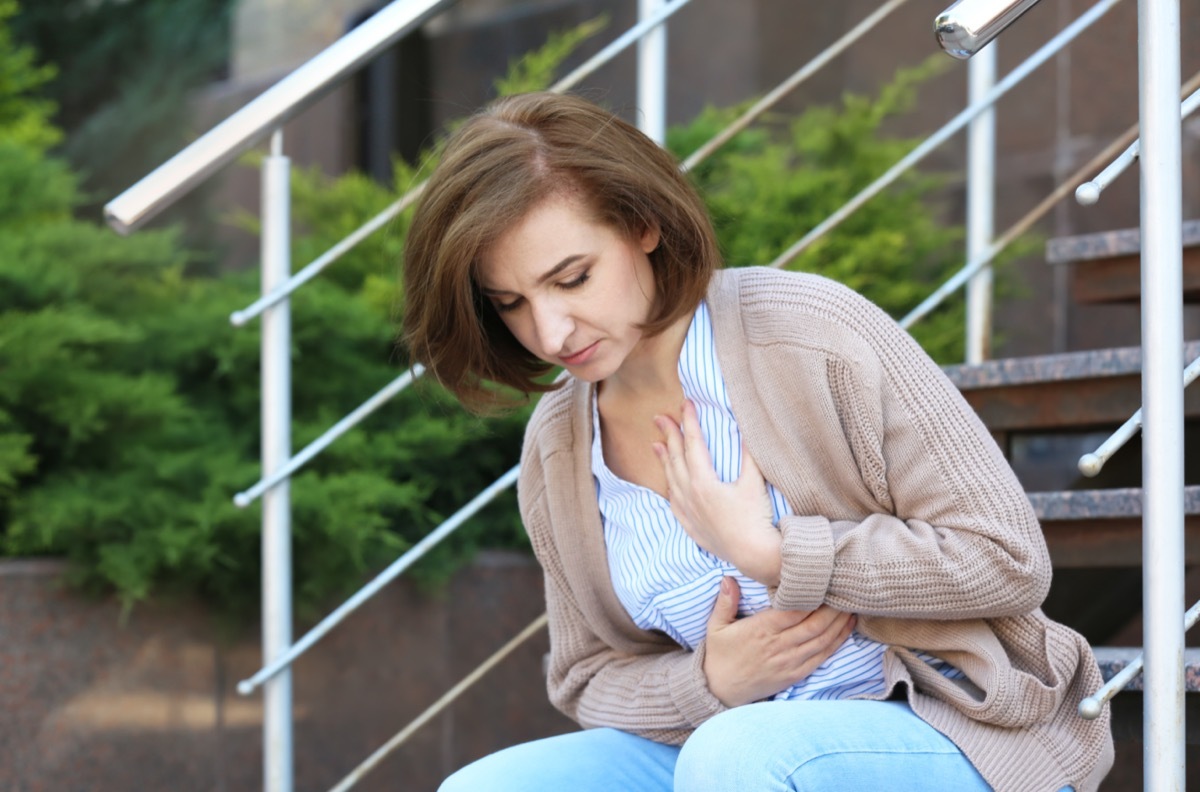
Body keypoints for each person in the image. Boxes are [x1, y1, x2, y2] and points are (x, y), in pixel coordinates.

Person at [402, 91, 1113, 791]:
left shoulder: (809, 335)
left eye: (573, 278)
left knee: (736, 758)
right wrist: (708, 680)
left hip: (947, 723)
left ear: (643, 224)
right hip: (732, 739)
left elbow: (1007, 557)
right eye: (512, 304)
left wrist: (776, 553)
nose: (551, 331)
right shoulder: (558, 445)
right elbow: (586, 675)